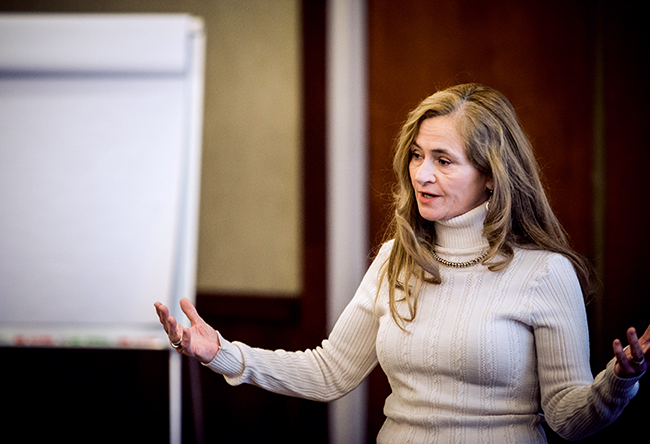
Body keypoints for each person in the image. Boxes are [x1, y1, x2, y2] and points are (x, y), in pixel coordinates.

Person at [155, 83, 648, 443]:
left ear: (492, 177)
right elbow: (331, 372)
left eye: (443, 159)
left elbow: (566, 417)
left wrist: (618, 382)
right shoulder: (397, 259)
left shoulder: (544, 273)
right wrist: (218, 351)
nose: (422, 174)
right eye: (417, 155)